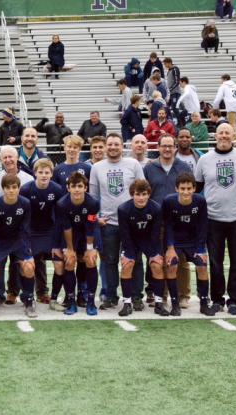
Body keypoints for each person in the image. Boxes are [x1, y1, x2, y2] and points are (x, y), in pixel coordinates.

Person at [194, 123, 236, 315]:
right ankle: (217, 299)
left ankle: (234, 300)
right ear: (215, 136)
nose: (224, 136)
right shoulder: (204, 160)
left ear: (234, 135)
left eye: (227, 133)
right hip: (213, 217)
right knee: (215, 261)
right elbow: (197, 188)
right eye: (220, 133)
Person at [89, 134, 146, 310]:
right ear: (105, 147)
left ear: (123, 146)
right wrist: (95, 219)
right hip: (109, 223)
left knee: (135, 260)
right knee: (110, 261)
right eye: (110, 144)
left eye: (116, 144)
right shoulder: (97, 167)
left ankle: (136, 297)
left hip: (132, 223)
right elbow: (92, 198)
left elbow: (143, 192)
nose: (113, 147)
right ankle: (111, 296)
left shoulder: (133, 164)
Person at [162, 173, 221, 316]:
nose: (186, 192)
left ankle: (204, 303)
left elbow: (202, 225)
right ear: (177, 188)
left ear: (194, 188)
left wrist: (201, 248)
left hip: (193, 241)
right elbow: (167, 225)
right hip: (175, 241)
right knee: (172, 266)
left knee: (202, 266)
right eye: (182, 188)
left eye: (189, 188)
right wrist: (170, 248)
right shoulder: (169, 201)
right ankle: (175, 304)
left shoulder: (200, 201)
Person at [143, 134, 193, 305]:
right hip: (156, 221)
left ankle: (183, 295)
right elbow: (145, 194)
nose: (167, 149)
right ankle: (161, 294)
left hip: (180, 221)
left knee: (182, 260)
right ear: (157, 147)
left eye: (170, 146)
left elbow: (190, 192)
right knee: (159, 259)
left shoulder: (184, 167)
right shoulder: (149, 169)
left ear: (175, 147)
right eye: (163, 146)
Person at [0, 174, 35, 318]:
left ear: (19, 188)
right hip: (0, 241)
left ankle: (29, 302)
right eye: (8, 188)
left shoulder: (25, 203)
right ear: (3, 189)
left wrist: (27, 253)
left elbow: (26, 230)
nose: (11, 190)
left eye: (14, 187)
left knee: (28, 266)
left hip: (18, 240)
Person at [54, 171, 100, 315]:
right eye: (73, 186)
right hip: (71, 232)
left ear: (85, 188)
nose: (77, 189)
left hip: (88, 231)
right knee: (69, 261)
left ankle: (90, 301)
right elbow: (66, 227)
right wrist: (69, 248)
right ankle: (71, 300)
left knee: (90, 260)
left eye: (80, 186)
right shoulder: (62, 204)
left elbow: (90, 225)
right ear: (68, 188)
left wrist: (90, 248)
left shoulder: (93, 202)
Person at [116, 180, 163, 317]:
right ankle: (127, 303)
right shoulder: (123, 209)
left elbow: (155, 232)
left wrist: (153, 254)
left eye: (144, 194)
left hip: (149, 240)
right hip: (131, 240)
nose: (141, 197)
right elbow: (124, 234)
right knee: (127, 265)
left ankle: (159, 304)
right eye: (137, 194)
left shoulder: (156, 208)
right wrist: (128, 255)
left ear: (149, 194)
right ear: (132, 195)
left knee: (157, 265)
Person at [20, 159, 64, 305]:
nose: (44, 175)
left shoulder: (57, 189)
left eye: (47, 172)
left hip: (50, 230)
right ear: (35, 173)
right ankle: (27, 296)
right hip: (31, 230)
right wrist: (26, 241)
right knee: (29, 263)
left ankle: (52, 297)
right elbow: (23, 218)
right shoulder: (26, 189)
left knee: (59, 263)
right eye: (40, 172)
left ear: (51, 174)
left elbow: (60, 216)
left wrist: (58, 241)